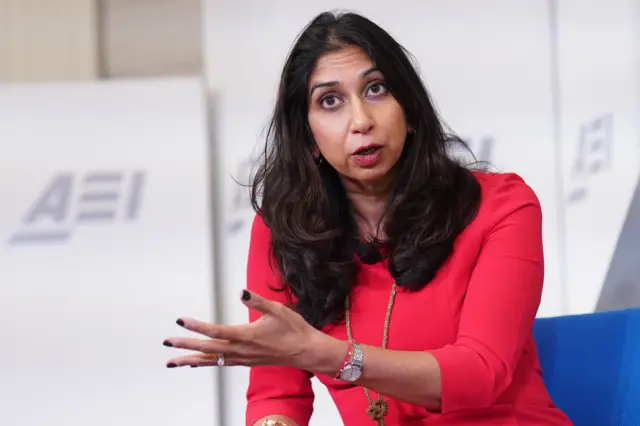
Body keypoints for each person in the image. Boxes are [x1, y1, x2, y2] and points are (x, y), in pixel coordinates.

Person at [163, 11, 574, 426]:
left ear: (409, 111)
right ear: (308, 137)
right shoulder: (283, 232)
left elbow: (481, 374)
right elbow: (277, 394)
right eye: (330, 101)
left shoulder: (498, 206)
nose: (361, 121)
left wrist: (328, 355)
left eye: (376, 89)